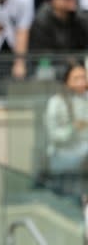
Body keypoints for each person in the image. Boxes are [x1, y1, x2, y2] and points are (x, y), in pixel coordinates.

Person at [42, 60, 88, 195]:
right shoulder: (55, 103)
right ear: (66, 81)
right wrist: (72, 129)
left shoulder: (85, 100)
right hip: (63, 155)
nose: (81, 83)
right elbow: (54, 136)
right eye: (76, 78)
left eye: (83, 78)